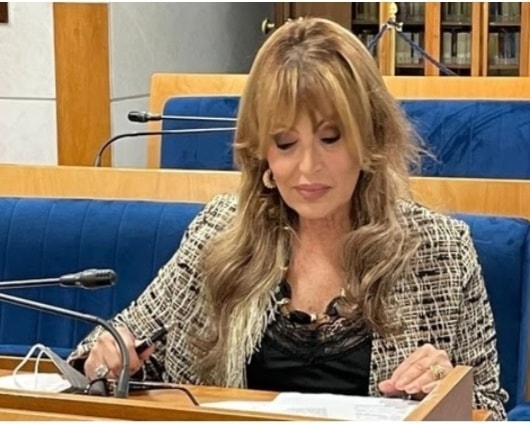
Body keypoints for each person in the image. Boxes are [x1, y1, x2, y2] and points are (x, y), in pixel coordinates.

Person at [68, 17, 507, 419]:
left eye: (331, 138)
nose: (308, 167)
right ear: (261, 152)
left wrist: (447, 388)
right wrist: (107, 359)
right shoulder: (219, 232)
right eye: (285, 143)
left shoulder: (440, 250)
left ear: (370, 139)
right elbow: (117, 350)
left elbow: (489, 409)